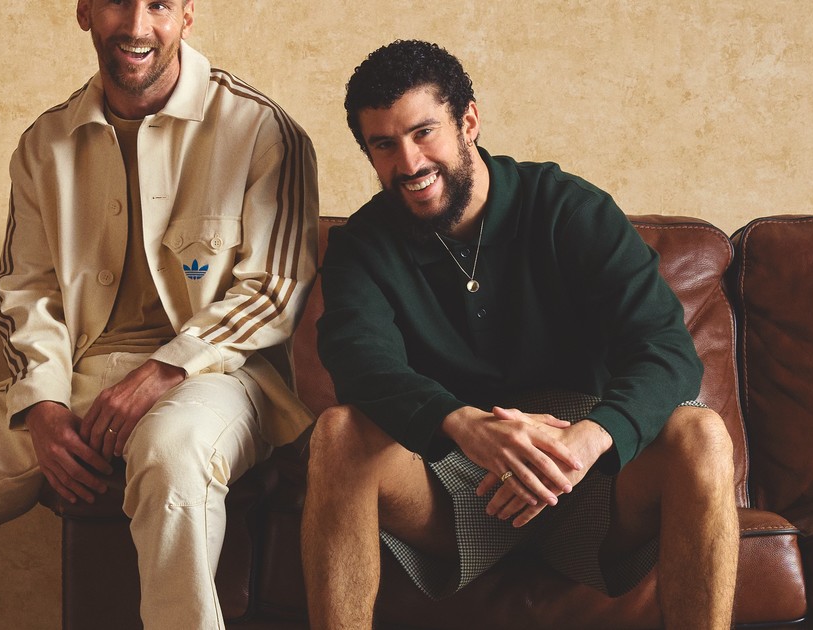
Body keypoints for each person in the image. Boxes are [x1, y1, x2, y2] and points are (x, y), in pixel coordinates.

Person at [0, 2, 318, 628]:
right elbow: (26, 291)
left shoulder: (261, 128)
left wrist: (162, 372)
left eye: (159, 4)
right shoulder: (44, 143)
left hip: (214, 378)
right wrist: (43, 404)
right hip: (76, 378)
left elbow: (273, 289)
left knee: (172, 457)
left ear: (188, 13)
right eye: (115, 1)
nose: (136, 25)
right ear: (84, 11)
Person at [300, 40, 737, 629]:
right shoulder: (362, 245)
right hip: (453, 477)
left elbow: (666, 350)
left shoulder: (570, 208)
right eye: (384, 145)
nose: (409, 163)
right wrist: (464, 425)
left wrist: (588, 441)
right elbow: (357, 361)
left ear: (468, 122)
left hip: (587, 474)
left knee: (703, 434)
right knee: (338, 433)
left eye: (424, 132)